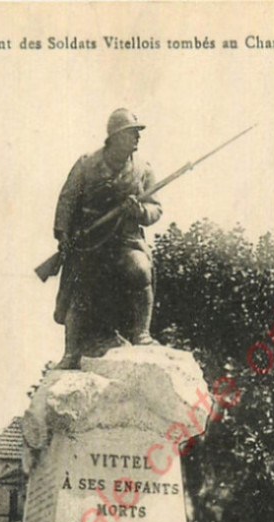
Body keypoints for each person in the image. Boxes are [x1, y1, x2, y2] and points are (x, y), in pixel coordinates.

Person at [53, 108, 163, 368]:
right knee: (80, 283)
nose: (137, 139)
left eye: (137, 134)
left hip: (125, 239)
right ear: (115, 136)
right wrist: (64, 236)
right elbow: (67, 200)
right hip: (90, 241)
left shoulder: (142, 171)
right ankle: (72, 352)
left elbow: (155, 208)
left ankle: (141, 333)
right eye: (131, 134)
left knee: (140, 269)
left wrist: (140, 211)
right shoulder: (87, 164)